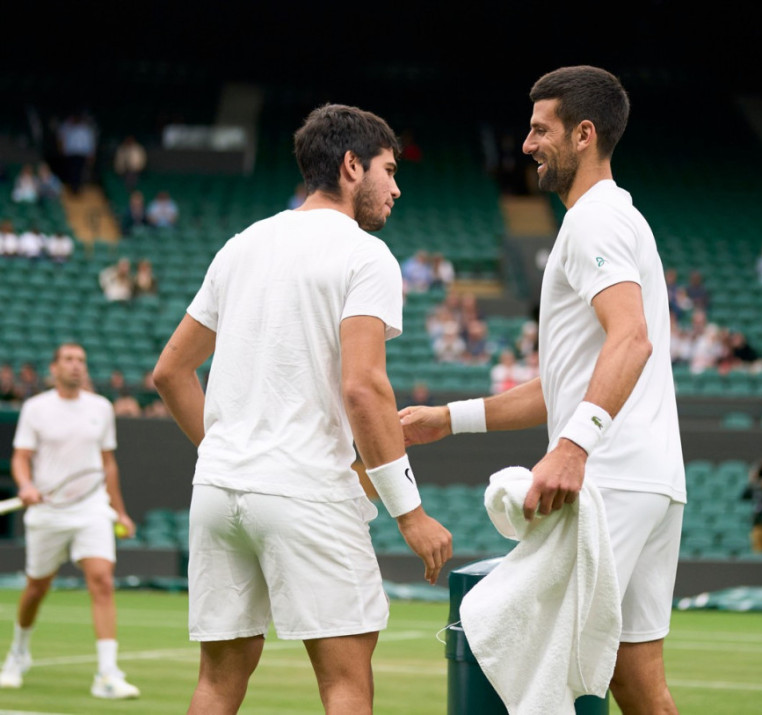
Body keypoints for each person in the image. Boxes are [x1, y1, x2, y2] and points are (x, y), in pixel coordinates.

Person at [399, 66, 684, 714]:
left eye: (539, 129)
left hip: (609, 482)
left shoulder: (593, 223)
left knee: (507, 645)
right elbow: (566, 382)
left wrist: (573, 448)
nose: (525, 143)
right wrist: (447, 419)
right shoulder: (615, 219)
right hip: (651, 480)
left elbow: (631, 340)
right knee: (639, 685)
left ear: (584, 134)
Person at [151, 103, 452, 715]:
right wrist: (411, 514)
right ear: (350, 166)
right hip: (307, 492)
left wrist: (226, 451)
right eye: (389, 171)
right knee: (344, 683)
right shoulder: (366, 256)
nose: (396, 187)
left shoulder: (242, 245)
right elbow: (364, 388)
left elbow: (170, 372)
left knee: (217, 682)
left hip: (217, 491)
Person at [0, 343, 139, 698]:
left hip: (92, 508)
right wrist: (27, 484)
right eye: (69, 360)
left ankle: (107, 674)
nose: (76, 366)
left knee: (102, 580)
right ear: (54, 367)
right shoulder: (35, 408)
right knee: (36, 589)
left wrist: (119, 510)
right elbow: (21, 457)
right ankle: (17, 654)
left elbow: (108, 464)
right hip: (47, 511)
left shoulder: (101, 408)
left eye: (81, 361)